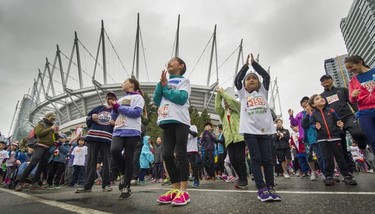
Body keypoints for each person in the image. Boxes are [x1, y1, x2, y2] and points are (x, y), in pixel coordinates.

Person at [234, 53, 280, 202]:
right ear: (244, 84)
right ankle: (261, 188)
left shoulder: (263, 92)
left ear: (259, 83)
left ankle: (270, 187)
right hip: (250, 131)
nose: (251, 80)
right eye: (248, 79)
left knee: (267, 159)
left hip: (265, 131)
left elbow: (266, 76)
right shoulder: (242, 94)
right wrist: (246, 66)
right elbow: (237, 80)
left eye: (254, 78)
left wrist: (255, 65)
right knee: (256, 159)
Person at [153, 57, 191, 206]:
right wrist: (161, 85)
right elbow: (157, 100)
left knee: (181, 153)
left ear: (181, 66)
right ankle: (174, 189)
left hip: (181, 120)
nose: (169, 63)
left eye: (173, 61)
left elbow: (181, 98)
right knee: (167, 154)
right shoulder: (163, 82)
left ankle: (184, 190)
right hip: (166, 120)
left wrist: (167, 88)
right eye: (167, 61)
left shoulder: (184, 81)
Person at [308, 94, 357, 186]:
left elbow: (337, 120)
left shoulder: (331, 110)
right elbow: (311, 124)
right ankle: (329, 176)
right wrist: (315, 126)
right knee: (327, 158)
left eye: (321, 97)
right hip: (322, 139)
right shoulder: (313, 114)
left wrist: (339, 123)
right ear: (313, 104)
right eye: (317, 99)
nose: (321, 99)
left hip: (335, 137)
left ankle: (347, 175)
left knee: (340, 157)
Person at [320, 74, 366, 172]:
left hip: (348, 117)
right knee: (341, 146)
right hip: (335, 122)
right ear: (321, 84)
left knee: (357, 132)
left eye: (327, 79)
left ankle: (363, 147)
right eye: (323, 81)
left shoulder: (342, 90)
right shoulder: (322, 96)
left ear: (332, 80)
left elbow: (352, 102)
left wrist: (358, 112)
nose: (325, 81)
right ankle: (349, 168)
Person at [109, 78, 146, 200]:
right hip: (118, 129)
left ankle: (127, 187)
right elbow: (114, 116)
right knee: (114, 150)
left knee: (129, 157)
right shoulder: (119, 99)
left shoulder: (138, 98)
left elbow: (135, 113)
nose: (122, 83)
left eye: (124, 82)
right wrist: (114, 108)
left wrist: (118, 107)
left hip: (132, 130)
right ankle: (124, 174)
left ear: (131, 84)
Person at [75, 92, 116, 193]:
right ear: (105, 98)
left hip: (106, 139)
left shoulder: (116, 111)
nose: (110, 99)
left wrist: (115, 124)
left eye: (112, 97)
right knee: (90, 161)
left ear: (115, 99)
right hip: (93, 137)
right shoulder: (98, 108)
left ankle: (106, 184)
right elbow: (88, 121)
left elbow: (120, 125)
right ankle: (87, 186)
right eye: (108, 97)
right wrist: (91, 117)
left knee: (106, 162)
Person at [15, 112, 59, 191]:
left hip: (47, 148)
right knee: (33, 164)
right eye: (51, 118)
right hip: (40, 146)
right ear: (47, 117)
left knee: (42, 166)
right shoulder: (41, 124)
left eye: (54, 119)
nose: (53, 120)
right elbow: (39, 133)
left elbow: (55, 139)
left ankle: (34, 183)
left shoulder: (51, 126)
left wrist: (55, 133)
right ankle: (20, 183)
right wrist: (51, 128)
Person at [214, 87, 247, 188]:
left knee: (240, 159)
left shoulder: (237, 109)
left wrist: (223, 92)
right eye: (225, 102)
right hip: (229, 140)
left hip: (238, 138)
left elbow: (232, 101)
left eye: (226, 100)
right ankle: (240, 177)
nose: (226, 103)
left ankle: (243, 179)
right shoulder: (223, 114)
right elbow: (217, 107)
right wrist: (219, 94)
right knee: (232, 160)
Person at [345, 55, 375, 152]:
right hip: (365, 113)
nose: (349, 70)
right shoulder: (352, 81)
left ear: (360, 62)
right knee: (373, 140)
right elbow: (351, 100)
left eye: (351, 67)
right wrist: (353, 95)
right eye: (347, 68)